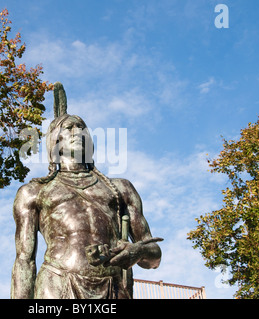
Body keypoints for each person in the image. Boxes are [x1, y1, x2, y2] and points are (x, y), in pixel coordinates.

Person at [11, 83, 161, 299]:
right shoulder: (34, 192)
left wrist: (137, 251)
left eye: (82, 128)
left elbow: (154, 256)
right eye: (69, 128)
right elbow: (24, 260)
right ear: (55, 141)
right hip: (58, 285)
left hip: (114, 288)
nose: (77, 132)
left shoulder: (121, 189)